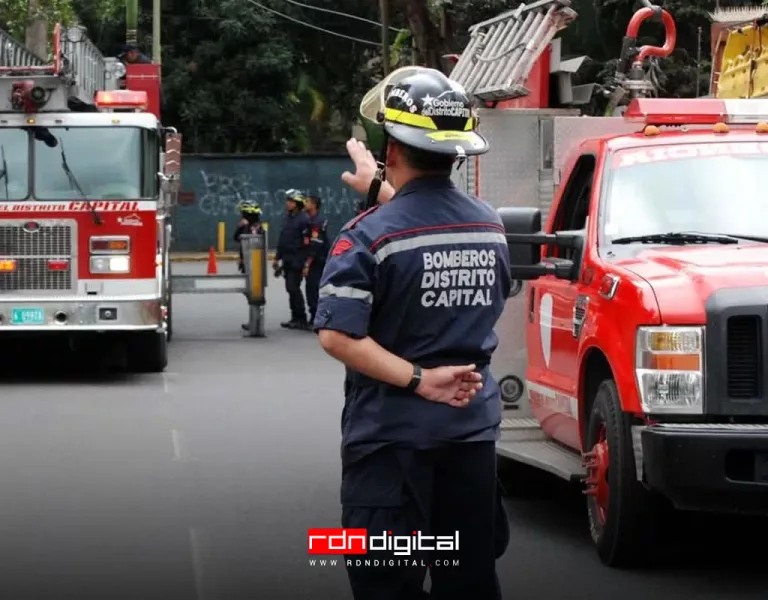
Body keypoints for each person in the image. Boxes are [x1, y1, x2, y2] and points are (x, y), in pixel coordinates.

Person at [314, 68, 512, 600]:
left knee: (386, 583)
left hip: (391, 447)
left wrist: (420, 378)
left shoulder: (366, 237)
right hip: (469, 440)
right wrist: (379, 190)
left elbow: (337, 336)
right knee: (467, 578)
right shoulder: (488, 226)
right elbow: (427, 226)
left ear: (389, 148)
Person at [274, 188, 311, 330]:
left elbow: (307, 243)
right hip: (287, 259)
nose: (287, 204)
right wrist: (277, 258)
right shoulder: (288, 218)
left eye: (290, 201)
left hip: (297, 260)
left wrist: (305, 262)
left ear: (297, 203)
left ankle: (301, 318)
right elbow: (283, 239)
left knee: (293, 288)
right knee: (290, 289)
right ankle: (295, 317)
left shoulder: (304, 220)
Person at [302, 194, 330, 327]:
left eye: (307, 201)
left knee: (314, 288)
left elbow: (315, 245)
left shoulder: (317, 222)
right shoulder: (309, 220)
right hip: (313, 259)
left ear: (314, 205)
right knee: (310, 288)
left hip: (318, 261)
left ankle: (317, 318)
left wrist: (307, 264)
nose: (304, 203)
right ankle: (314, 317)